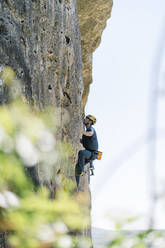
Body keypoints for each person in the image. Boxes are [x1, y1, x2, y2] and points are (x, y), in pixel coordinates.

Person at [75, 115, 98, 187]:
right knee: (77, 168)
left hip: (92, 153)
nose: (84, 119)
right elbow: (86, 141)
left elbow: (90, 134)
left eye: (86, 118)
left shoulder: (91, 129)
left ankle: (81, 171)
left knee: (81, 153)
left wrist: (81, 132)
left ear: (90, 121)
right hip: (89, 153)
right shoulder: (86, 131)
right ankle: (76, 186)